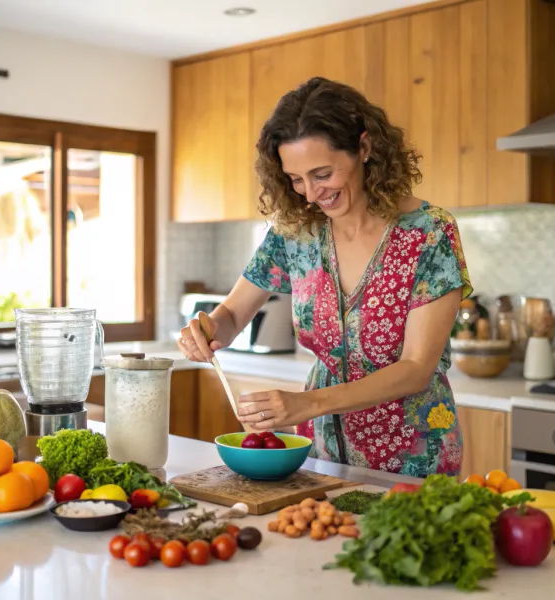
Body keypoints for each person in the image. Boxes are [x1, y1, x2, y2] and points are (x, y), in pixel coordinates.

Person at [178, 77, 473, 477]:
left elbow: (416, 367)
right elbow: (232, 316)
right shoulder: (296, 232)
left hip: (413, 454)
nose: (311, 195)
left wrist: (306, 404)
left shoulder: (428, 232)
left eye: (322, 174)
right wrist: (207, 328)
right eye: (296, 179)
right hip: (321, 451)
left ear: (365, 148)